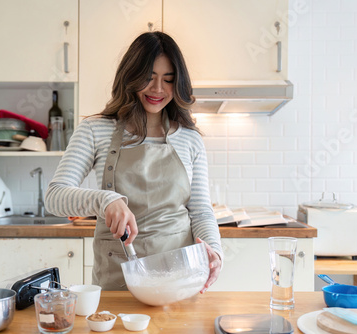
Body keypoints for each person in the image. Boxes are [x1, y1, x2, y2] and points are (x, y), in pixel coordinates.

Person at [45, 31, 223, 292]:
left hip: (180, 279)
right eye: (148, 78)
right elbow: (54, 197)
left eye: (168, 79)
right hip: (118, 281)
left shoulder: (189, 139)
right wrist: (105, 200)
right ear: (130, 77)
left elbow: (200, 210)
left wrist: (215, 250)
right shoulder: (95, 130)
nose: (158, 89)